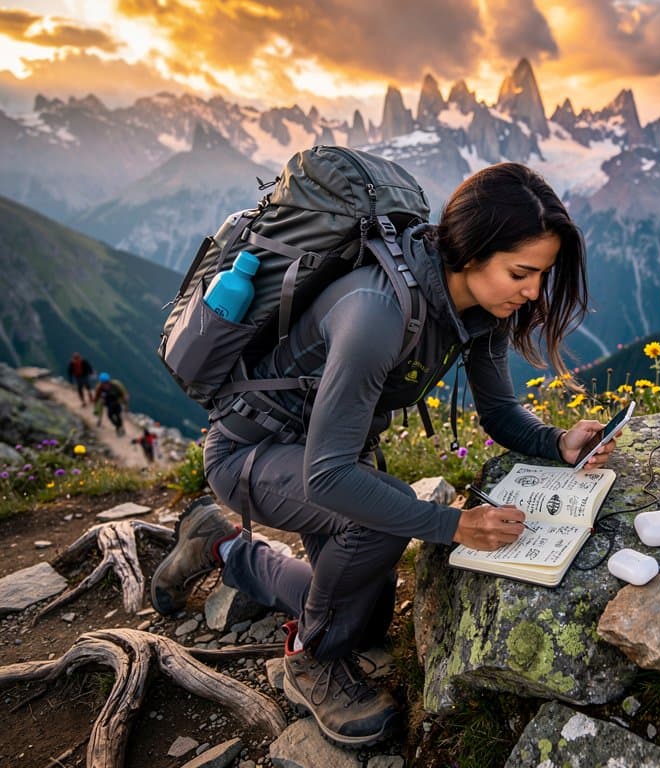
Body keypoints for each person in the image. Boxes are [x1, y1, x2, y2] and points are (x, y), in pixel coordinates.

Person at [149, 163, 616, 747]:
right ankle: (310, 659)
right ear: (470, 252)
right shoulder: (377, 311)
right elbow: (328, 479)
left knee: (362, 622)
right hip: (251, 451)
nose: (532, 292)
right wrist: (453, 526)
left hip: (324, 455)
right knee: (375, 526)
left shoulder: (483, 309)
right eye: (521, 273)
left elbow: (497, 414)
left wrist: (557, 442)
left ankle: (217, 544)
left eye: (540, 276)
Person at [93, 372, 129, 436]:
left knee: (117, 415)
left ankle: (119, 427)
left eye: (106, 382)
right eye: (104, 383)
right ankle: (119, 426)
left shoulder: (115, 386)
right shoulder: (100, 388)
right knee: (110, 416)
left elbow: (124, 396)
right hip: (109, 403)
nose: (105, 384)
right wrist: (96, 405)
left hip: (117, 402)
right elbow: (97, 397)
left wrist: (125, 405)